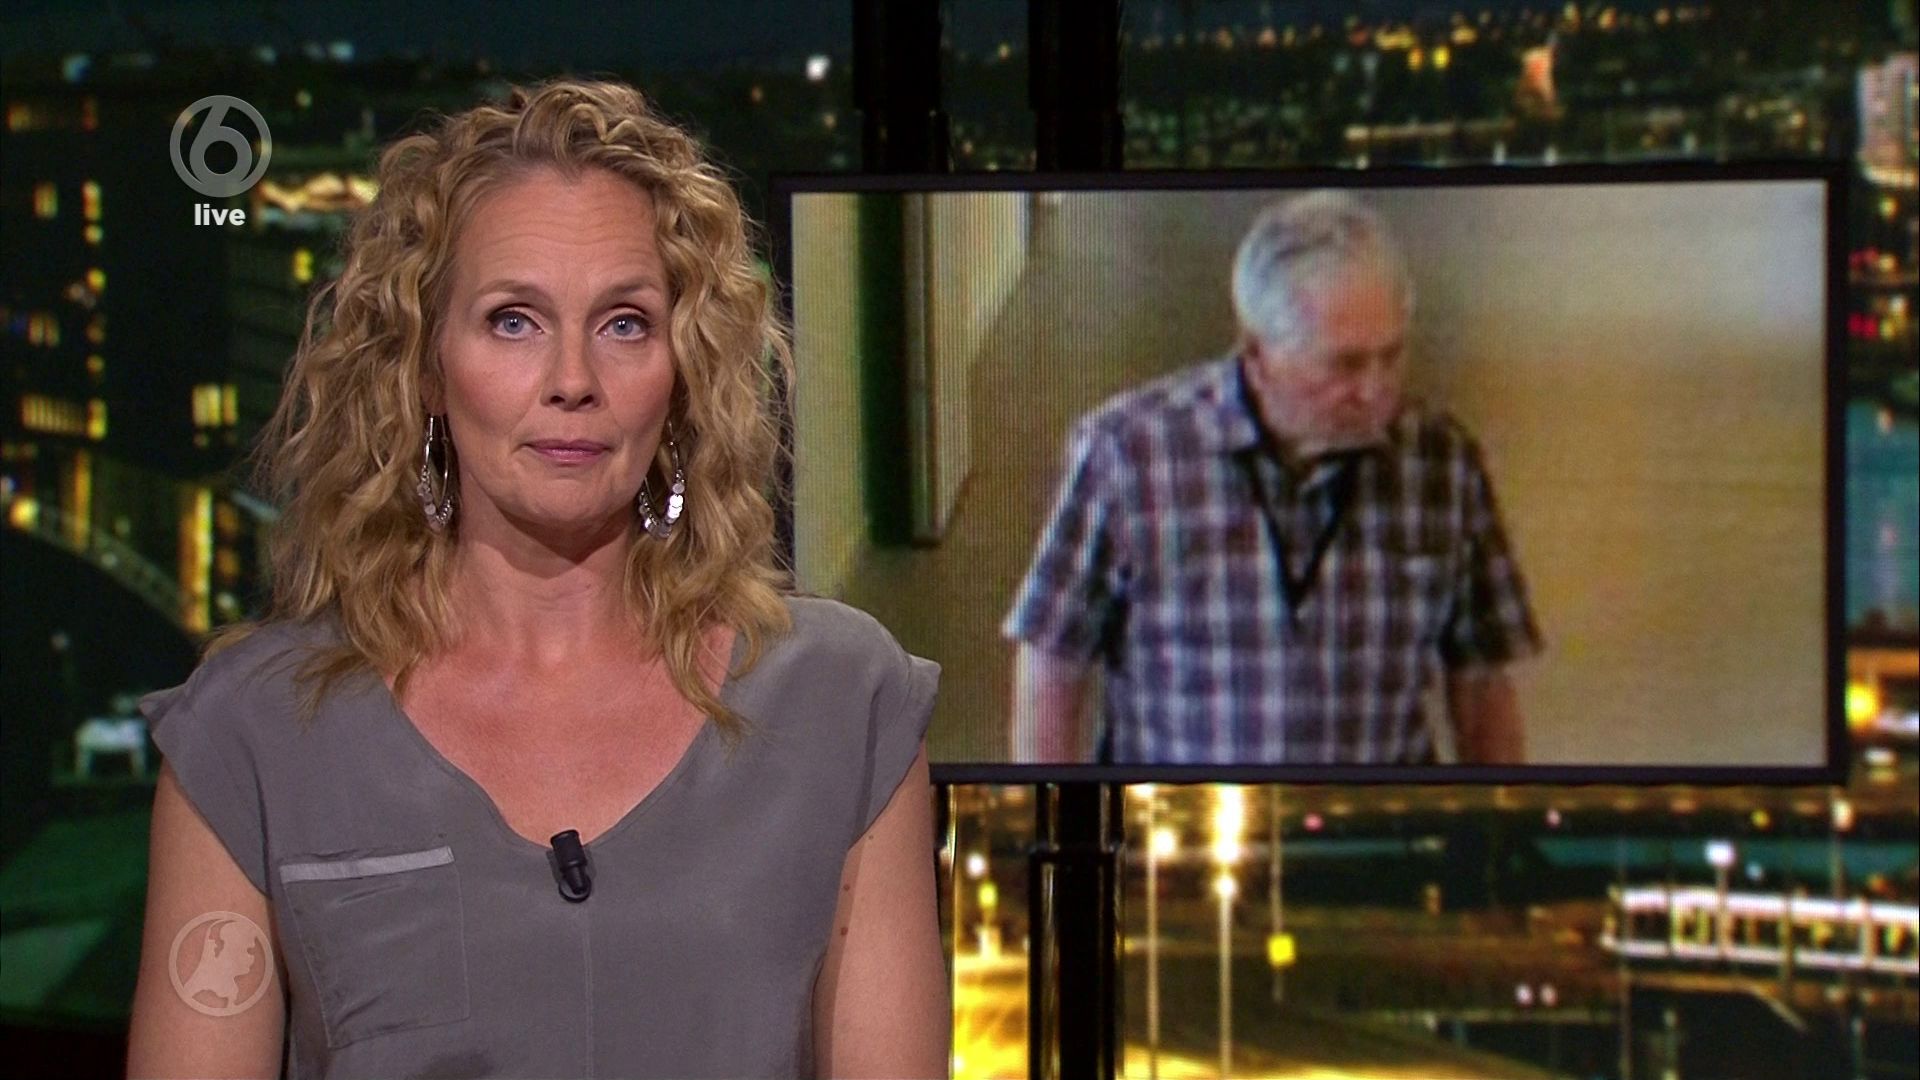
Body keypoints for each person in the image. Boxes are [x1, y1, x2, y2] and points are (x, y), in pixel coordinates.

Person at [127, 79, 948, 1079]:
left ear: (684, 368)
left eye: (625, 323)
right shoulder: (251, 733)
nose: (572, 380)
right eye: (513, 320)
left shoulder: (843, 700)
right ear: (426, 366)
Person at [1003, 191, 1541, 766]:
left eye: (1391, 357)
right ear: (1257, 354)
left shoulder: (1442, 465)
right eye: (1345, 365)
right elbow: (1052, 658)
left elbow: (1483, 681)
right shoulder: (1128, 456)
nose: (1375, 391)